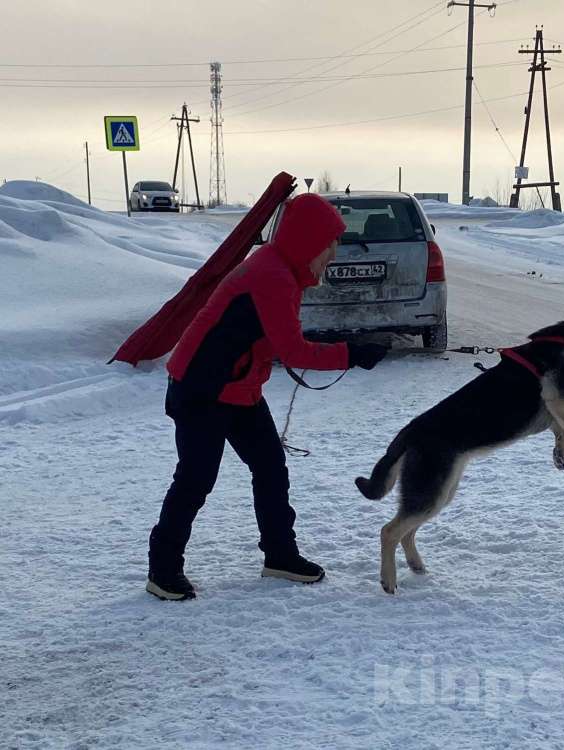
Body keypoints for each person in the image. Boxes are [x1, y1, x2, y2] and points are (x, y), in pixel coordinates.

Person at [147, 193, 388, 600]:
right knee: (195, 479)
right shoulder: (272, 275)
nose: (333, 254)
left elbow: (271, 340)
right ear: (308, 242)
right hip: (202, 389)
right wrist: (352, 353)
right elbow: (293, 351)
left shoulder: (282, 270)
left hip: (237, 388)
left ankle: (280, 556)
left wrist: (353, 348)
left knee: (271, 467)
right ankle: (162, 570)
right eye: (330, 244)